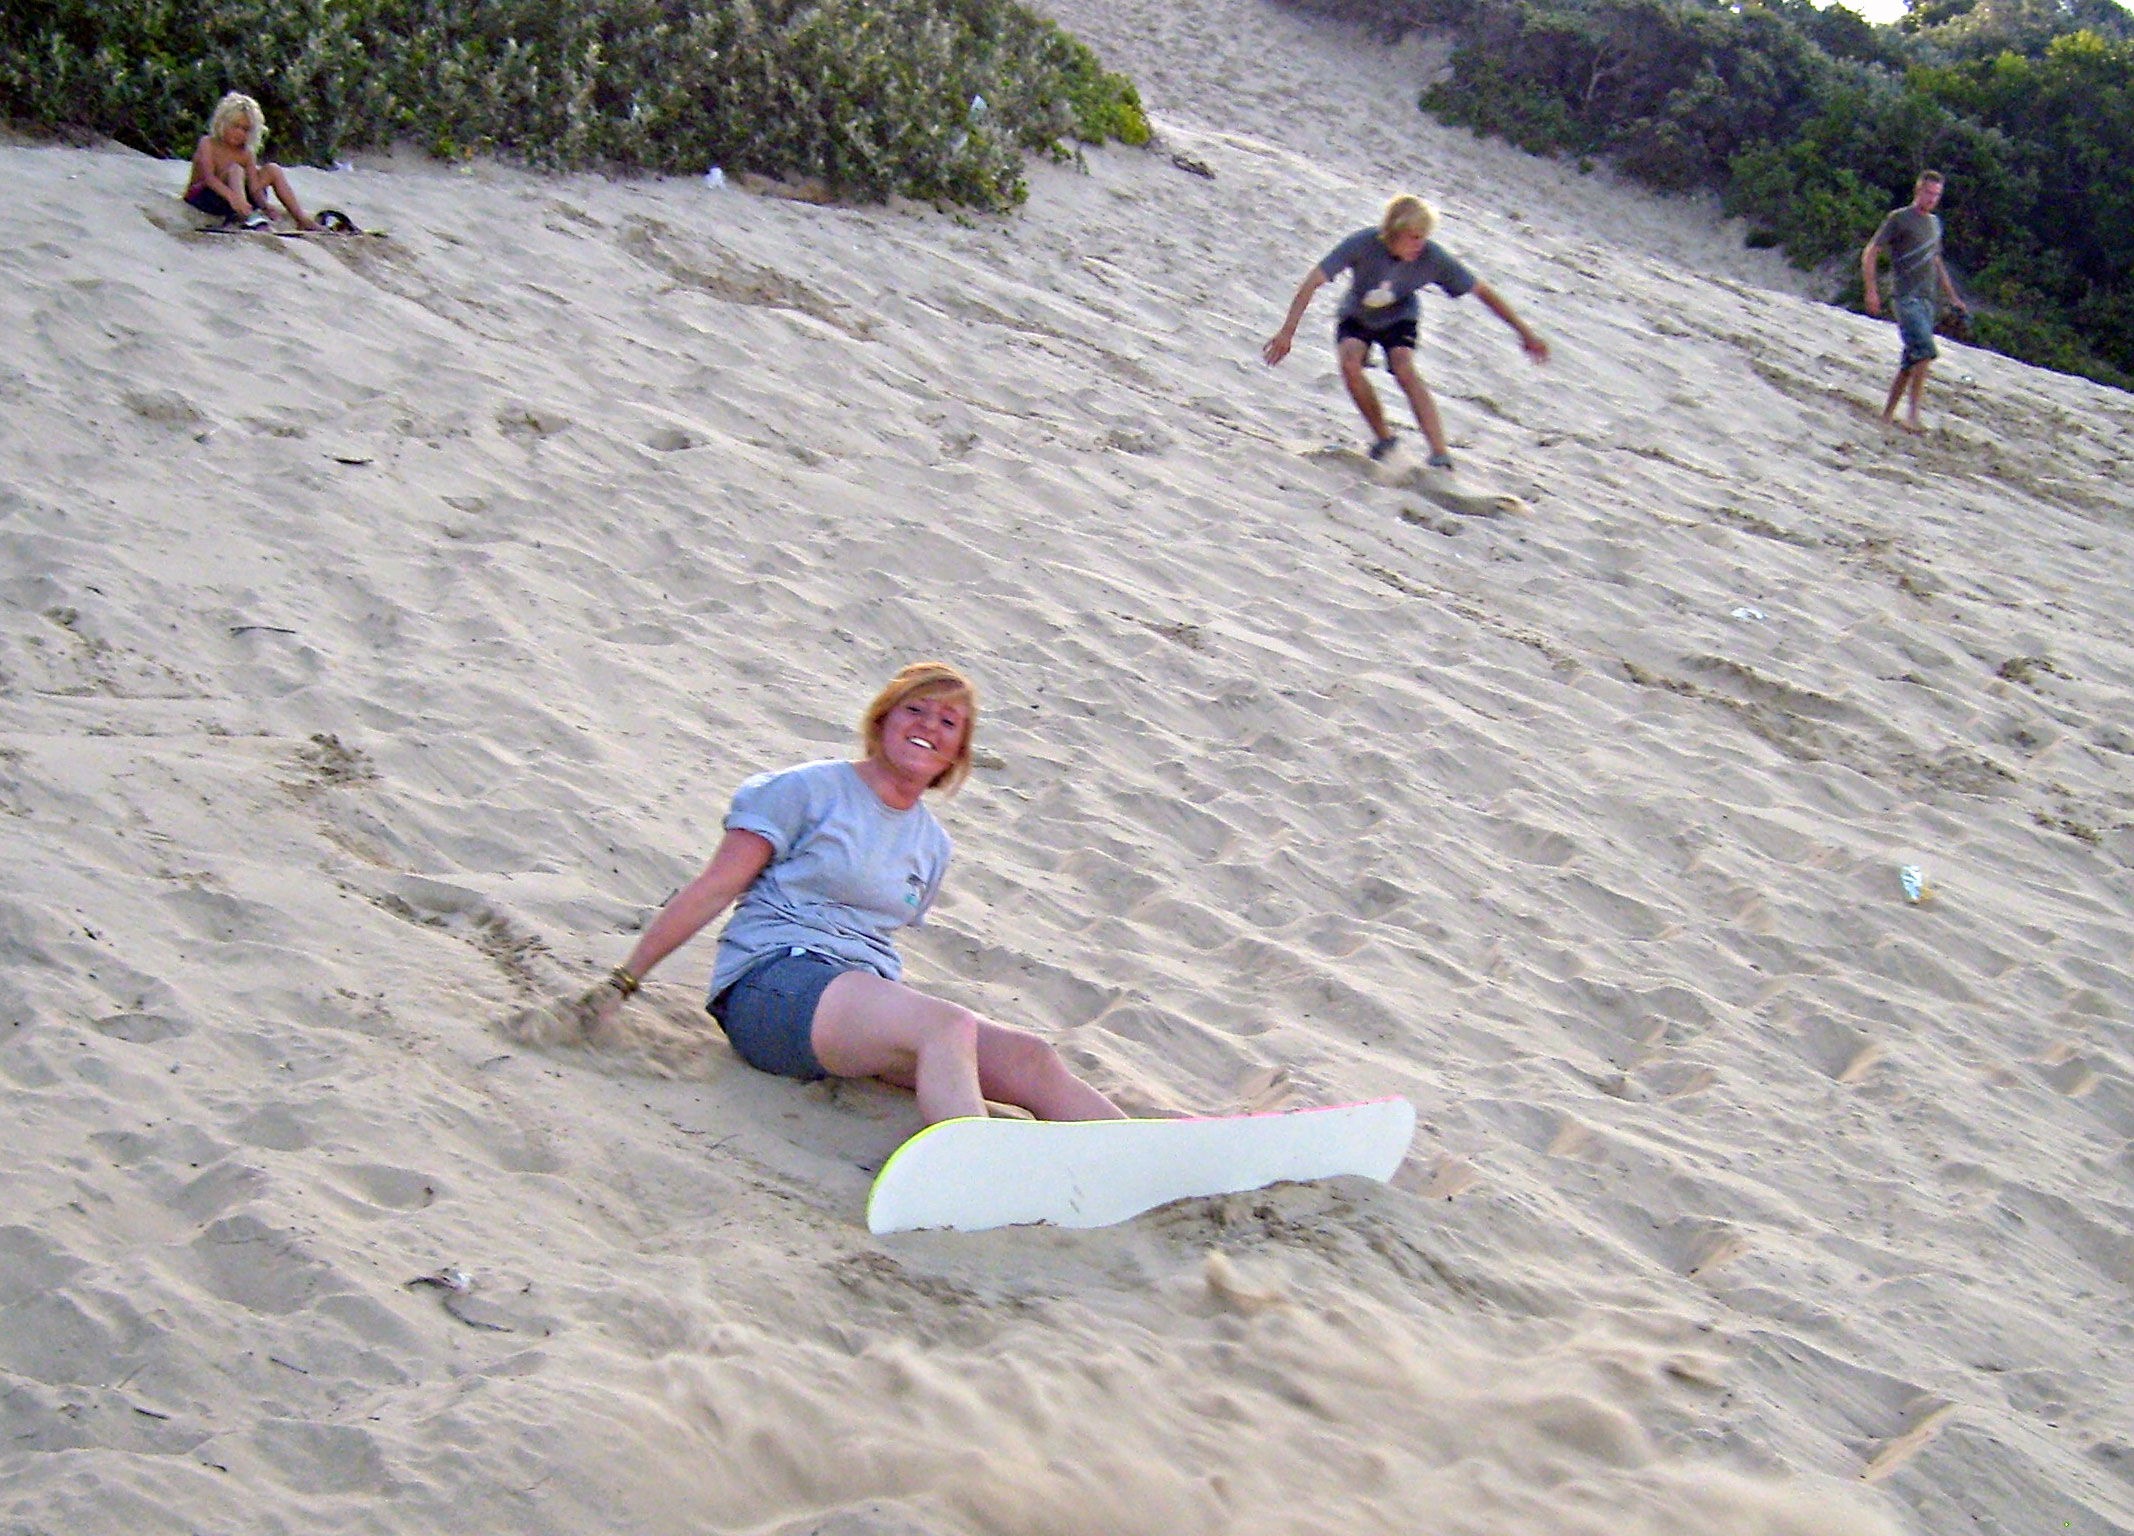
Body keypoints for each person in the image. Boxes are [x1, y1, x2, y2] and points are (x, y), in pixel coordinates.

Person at [574, 662, 1126, 1127]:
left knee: (1030, 1058)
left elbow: (872, 935)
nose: (928, 726)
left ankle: (1151, 1157)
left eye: (948, 721)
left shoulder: (931, 843)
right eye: (915, 709)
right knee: (946, 1026)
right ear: (882, 719)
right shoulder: (807, 790)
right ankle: (971, 1170)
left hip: (855, 1005)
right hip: (772, 986)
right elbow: (716, 886)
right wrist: (625, 980)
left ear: (957, 751)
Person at [1263, 194, 1548, 469]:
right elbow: (1312, 281)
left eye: (1424, 237)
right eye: (1413, 237)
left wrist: (1525, 334)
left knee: (1403, 366)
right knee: (1350, 364)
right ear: (1393, 231)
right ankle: (1385, 440)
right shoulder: (1362, 243)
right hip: (1356, 313)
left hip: (1400, 316)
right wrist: (1287, 333)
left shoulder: (1432, 257)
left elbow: (1483, 292)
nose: (1419, 245)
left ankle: (1439, 454)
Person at [1862, 170, 1968, 433]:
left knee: (1910, 361)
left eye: (1936, 195)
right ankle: (1912, 416)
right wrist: (1871, 290)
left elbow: (1936, 261)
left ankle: (1887, 415)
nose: (1932, 198)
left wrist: (1953, 297)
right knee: (1925, 352)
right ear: (1917, 190)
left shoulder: (1935, 223)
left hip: (1927, 300)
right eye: (1928, 192)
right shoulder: (1898, 219)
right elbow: (1871, 251)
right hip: (1905, 297)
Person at [183, 92, 319, 231]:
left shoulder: (246, 153)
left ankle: (301, 219)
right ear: (222, 123)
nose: (240, 133)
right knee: (235, 169)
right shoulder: (208, 143)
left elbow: (254, 188)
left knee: (272, 169)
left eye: (245, 129)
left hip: (236, 199)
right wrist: (233, 198)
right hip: (205, 196)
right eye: (235, 126)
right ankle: (244, 215)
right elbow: (209, 178)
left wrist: (264, 205)